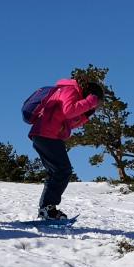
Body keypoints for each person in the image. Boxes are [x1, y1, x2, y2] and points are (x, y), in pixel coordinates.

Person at [27, 74, 102, 220]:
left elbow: (69, 122)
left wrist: (86, 114)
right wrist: (89, 102)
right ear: (91, 94)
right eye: (98, 102)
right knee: (63, 170)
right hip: (46, 134)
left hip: (46, 134)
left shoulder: (70, 93)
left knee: (57, 172)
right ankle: (47, 208)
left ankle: (47, 210)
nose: (97, 105)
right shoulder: (70, 90)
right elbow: (68, 111)